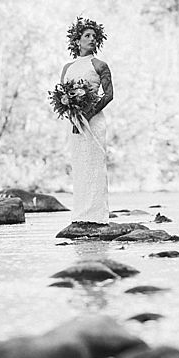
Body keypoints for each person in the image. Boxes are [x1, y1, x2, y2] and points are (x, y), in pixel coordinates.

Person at [59, 17, 114, 224]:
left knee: (95, 165)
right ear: (77, 40)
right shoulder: (67, 67)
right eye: (87, 36)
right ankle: (81, 215)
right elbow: (63, 95)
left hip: (94, 121)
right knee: (80, 166)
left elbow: (108, 95)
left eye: (94, 36)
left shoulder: (100, 65)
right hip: (75, 122)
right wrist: (73, 115)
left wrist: (89, 114)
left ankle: (98, 216)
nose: (92, 39)